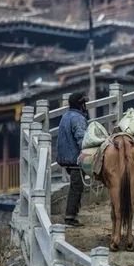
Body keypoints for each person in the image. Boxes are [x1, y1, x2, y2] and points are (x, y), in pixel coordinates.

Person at [57, 92, 89, 226]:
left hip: (66, 158)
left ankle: (73, 213)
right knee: (76, 186)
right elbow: (82, 140)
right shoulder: (78, 118)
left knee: (76, 185)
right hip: (74, 159)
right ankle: (70, 217)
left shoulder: (66, 116)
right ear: (81, 104)